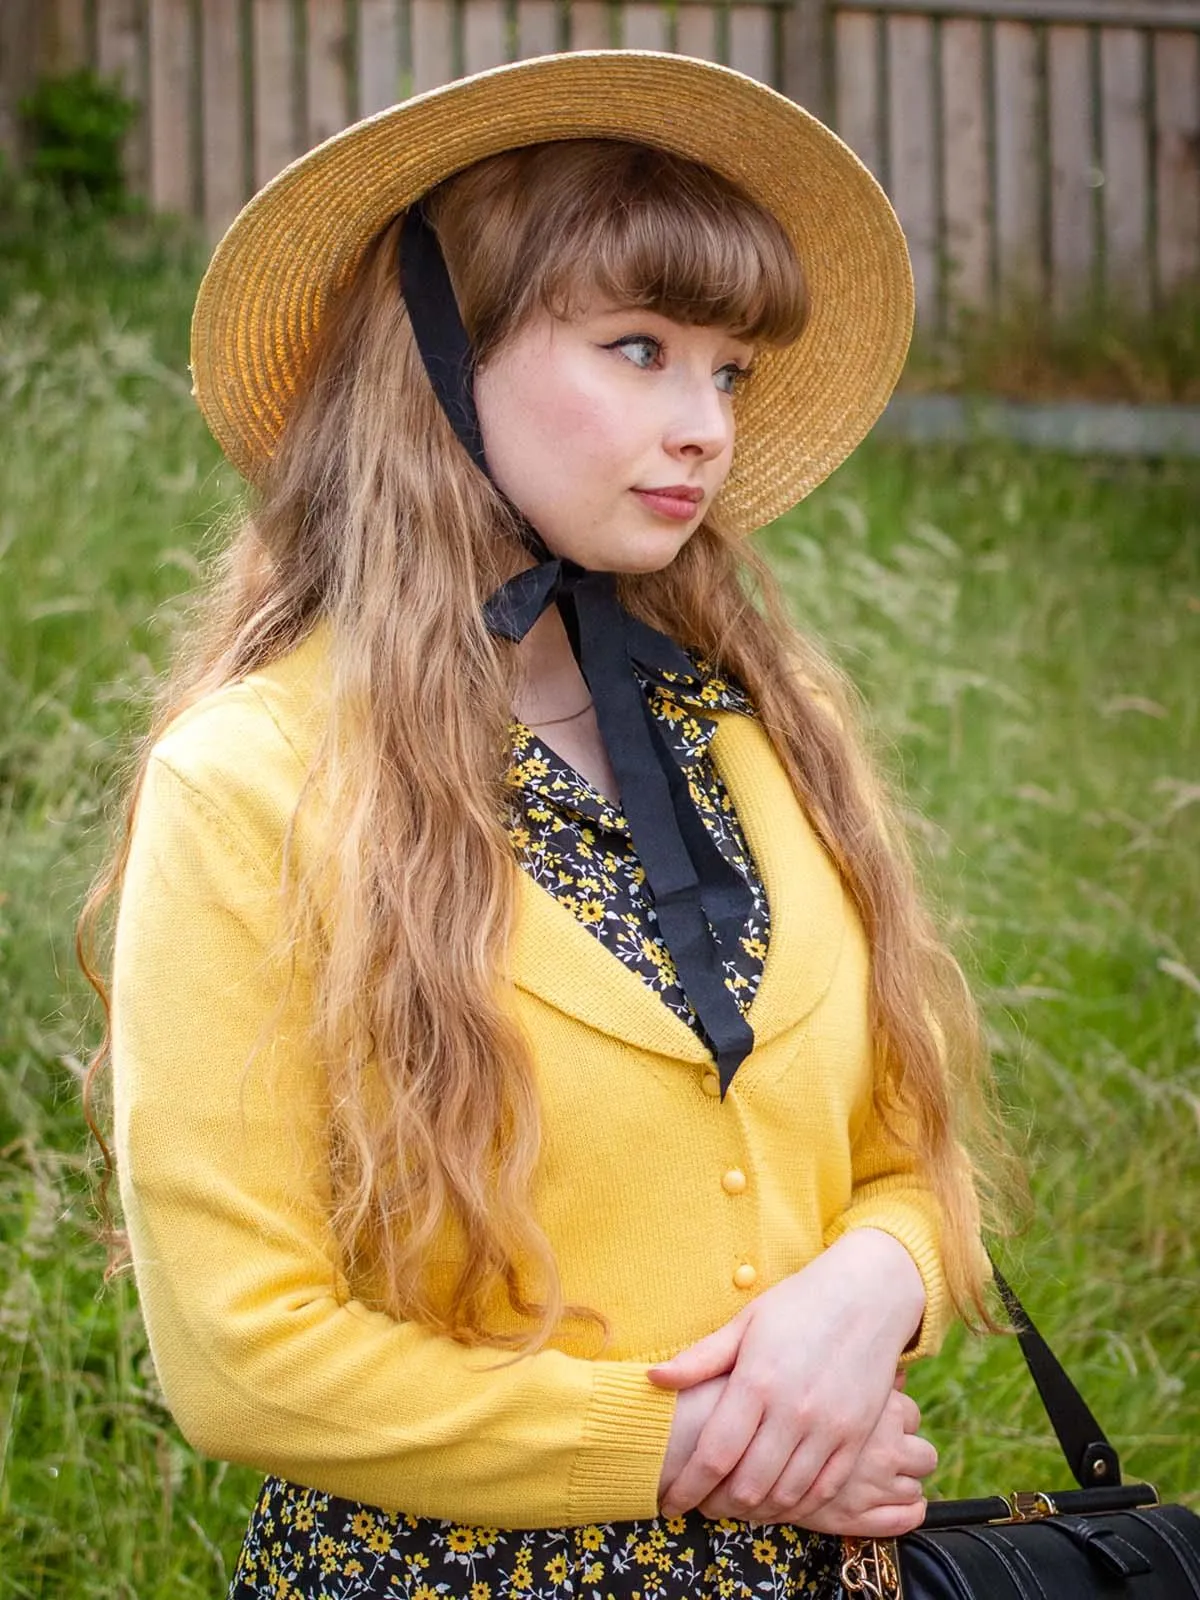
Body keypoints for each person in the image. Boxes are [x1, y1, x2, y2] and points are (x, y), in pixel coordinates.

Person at [83, 49, 1006, 1600]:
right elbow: (239, 1353)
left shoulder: (772, 741)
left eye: (728, 370)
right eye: (639, 347)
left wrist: (881, 1280)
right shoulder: (247, 784)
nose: (705, 423)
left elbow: (908, 1160)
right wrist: (702, 1445)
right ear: (438, 364)